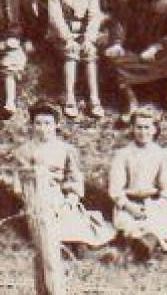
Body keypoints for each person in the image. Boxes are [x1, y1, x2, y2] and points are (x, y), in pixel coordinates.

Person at [10, 104, 114, 253]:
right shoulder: (23, 151)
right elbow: (18, 182)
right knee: (45, 224)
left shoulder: (66, 149)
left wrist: (71, 198)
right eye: (38, 123)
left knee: (72, 220)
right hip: (34, 196)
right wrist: (26, 198)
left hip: (59, 195)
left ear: (56, 125)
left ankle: (77, 244)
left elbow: (74, 177)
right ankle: (59, 246)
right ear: (32, 125)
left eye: (47, 124)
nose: (42, 128)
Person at [107, 112, 167, 260]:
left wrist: (159, 204)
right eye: (138, 127)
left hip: (155, 202)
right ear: (132, 128)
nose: (143, 132)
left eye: (147, 127)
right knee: (130, 224)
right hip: (130, 203)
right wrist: (129, 207)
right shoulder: (123, 154)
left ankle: (147, 245)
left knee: (164, 223)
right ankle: (141, 245)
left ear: (155, 129)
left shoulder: (162, 155)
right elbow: (115, 188)